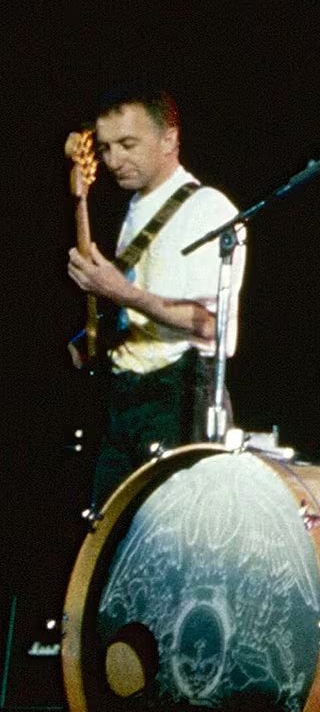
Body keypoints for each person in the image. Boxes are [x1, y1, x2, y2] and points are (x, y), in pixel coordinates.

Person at [67, 84, 245, 507]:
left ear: (170, 139)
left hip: (177, 393)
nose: (114, 160)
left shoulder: (207, 209)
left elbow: (208, 323)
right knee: (110, 534)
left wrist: (123, 293)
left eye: (128, 144)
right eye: (107, 148)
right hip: (125, 395)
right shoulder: (133, 209)